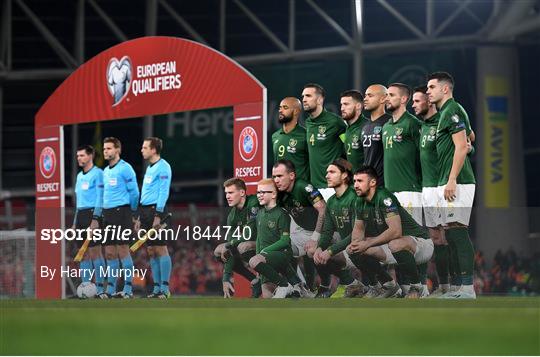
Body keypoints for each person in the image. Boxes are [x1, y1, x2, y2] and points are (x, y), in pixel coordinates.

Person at [427, 71, 477, 299]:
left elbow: (461, 146)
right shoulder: (447, 113)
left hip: (457, 180)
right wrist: (468, 141)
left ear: (445, 89)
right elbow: (469, 138)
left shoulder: (453, 110)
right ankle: (458, 288)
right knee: (450, 234)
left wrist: (452, 178)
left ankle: (467, 288)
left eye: (431, 87)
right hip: (446, 180)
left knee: (457, 232)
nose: (428, 91)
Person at [348, 166, 433, 298]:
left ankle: (417, 286)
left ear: (372, 183)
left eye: (360, 181)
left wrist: (369, 243)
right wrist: (357, 244)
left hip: (421, 244)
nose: (356, 185)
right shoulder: (360, 201)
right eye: (354, 181)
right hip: (392, 246)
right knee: (352, 249)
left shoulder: (384, 197)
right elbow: (358, 229)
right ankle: (387, 285)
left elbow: (395, 231)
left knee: (395, 243)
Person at [309, 159, 366, 298]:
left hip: (366, 245)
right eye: (327, 172)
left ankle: (381, 286)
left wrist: (330, 251)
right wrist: (319, 248)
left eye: (332, 172)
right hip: (349, 248)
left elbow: (356, 234)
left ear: (345, 175)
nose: (327, 176)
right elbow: (327, 231)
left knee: (330, 253)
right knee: (313, 251)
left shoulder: (356, 198)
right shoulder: (332, 201)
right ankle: (350, 283)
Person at [412, 85, 449, 296]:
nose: (414, 105)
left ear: (429, 101)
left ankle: (455, 285)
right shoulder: (420, 126)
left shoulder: (443, 121)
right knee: (435, 239)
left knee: (447, 239)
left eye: (417, 101)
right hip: (426, 189)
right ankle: (442, 287)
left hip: (441, 188)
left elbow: (465, 142)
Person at [272, 159, 324, 293]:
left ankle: (335, 284)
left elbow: (323, 209)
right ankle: (298, 286)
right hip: (303, 231)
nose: (276, 180)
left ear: (291, 176)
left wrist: (315, 237)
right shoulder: (279, 193)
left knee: (312, 252)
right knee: (279, 250)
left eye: (279, 176)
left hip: (324, 231)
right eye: (274, 177)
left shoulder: (304, 187)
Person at [248, 179, 302, 298]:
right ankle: (293, 288)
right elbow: (258, 239)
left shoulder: (282, 214)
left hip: (282, 254)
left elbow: (285, 241)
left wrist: (263, 252)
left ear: (273, 194)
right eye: (258, 192)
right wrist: (259, 256)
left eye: (263, 192)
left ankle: (284, 285)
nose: (259, 195)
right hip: (265, 257)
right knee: (268, 297)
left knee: (252, 261)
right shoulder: (260, 214)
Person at [102, 137, 139, 298]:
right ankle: (110, 290)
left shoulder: (125, 168)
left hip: (122, 212)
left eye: (109, 148)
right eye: (104, 149)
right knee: (109, 252)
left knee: (123, 250)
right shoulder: (105, 171)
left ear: (117, 150)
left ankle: (128, 290)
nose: (106, 151)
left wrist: (132, 213)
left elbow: (135, 193)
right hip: (107, 214)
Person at [136, 137, 172, 298]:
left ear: (153, 149)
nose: (142, 150)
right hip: (145, 211)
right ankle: (157, 288)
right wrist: (138, 216)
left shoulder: (163, 167)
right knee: (151, 250)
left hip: (156, 211)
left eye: (145, 147)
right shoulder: (150, 168)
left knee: (160, 248)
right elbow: (146, 193)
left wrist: (158, 215)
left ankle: (165, 289)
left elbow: (163, 192)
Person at [213, 178, 262, 298]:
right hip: (253, 245)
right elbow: (229, 248)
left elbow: (249, 234)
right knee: (218, 251)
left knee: (242, 246)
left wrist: (229, 244)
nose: (227, 196)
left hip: (268, 242)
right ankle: (255, 281)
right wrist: (226, 278)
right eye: (226, 193)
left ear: (242, 193)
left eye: (231, 193)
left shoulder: (254, 202)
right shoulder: (232, 215)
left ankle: (264, 277)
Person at [382, 83, 423, 224]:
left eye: (391, 95)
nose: (387, 98)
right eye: (386, 95)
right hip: (389, 192)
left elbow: (424, 154)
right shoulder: (386, 127)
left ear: (404, 99)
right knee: (392, 236)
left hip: (409, 190)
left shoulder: (413, 123)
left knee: (411, 235)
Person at [303, 83, 346, 200]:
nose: (304, 100)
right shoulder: (308, 123)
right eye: (303, 97)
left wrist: (343, 177)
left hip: (331, 188)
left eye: (308, 96)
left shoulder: (336, 122)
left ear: (319, 99)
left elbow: (349, 149)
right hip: (314, 189)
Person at [72, 145, 105, 297]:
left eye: (82, 155)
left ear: (90, 156)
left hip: (93, 214)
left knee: (95, 253)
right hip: (81, 216)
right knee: (83, 253)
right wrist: (74, 222)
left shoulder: (98, 173)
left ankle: (100, 289)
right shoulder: (79, 176)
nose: (79, 158)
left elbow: (100, 197)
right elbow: (79, 201)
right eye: (78, 156)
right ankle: (85, 287)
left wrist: (96, 219)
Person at [272, 97, 310, 181]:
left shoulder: (305, 135)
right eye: (280, 108)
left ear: (296, 111)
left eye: (285, 107)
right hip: (281, 188)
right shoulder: (275, 136)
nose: (280, 111)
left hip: (300, 188)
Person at [362, 84, 391, 185]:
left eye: (370, 96)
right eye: (365, 96)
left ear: (383, 99)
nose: (365, 99)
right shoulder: (365, 126)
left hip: (384, 184)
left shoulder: (389, 123)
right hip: (368, 184)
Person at [340, 90, 367, 172]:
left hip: (364, 181)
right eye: (341, 104)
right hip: (350, 181)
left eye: (346, 104)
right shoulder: (345, 127)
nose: (342, 108)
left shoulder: (367, 127)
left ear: (358, 106)